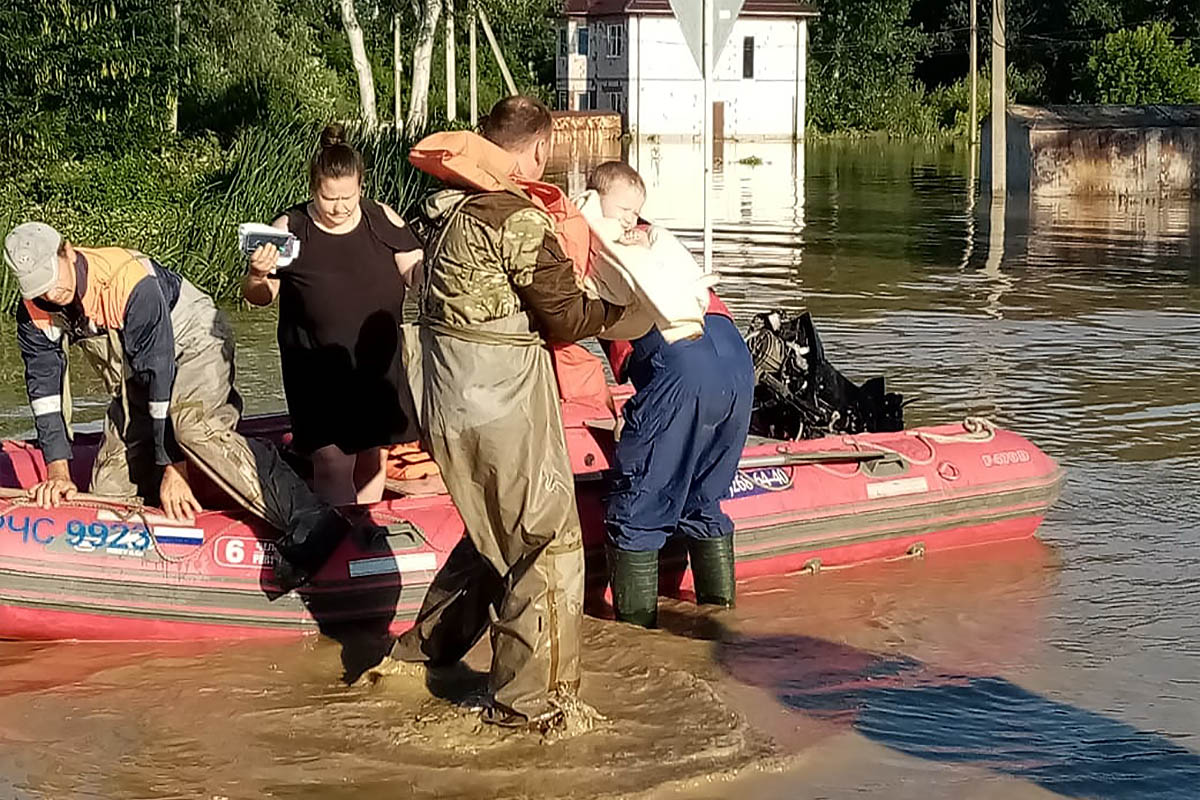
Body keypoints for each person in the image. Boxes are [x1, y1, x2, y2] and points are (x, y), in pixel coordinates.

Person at [391, 96, 626, 730]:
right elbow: (565, 317)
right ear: (539, 150)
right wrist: (626, 312)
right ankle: (530, 708)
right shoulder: (513, 217)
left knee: (490, 535)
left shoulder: (442, 209)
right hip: (498, 403)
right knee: (547, 543)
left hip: (444, 401)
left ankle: (418, 659)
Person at [4, 222, 371, 590]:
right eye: (38, 287)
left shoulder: (129, 283)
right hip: (137, 371)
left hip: (192, 344)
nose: (51, 293)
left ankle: (309, 516)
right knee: (108, 490)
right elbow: (46, 393)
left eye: (52, 278)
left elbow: (160, 375)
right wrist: (58, 474)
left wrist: (173, 469)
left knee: (190, 425)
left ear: (67, 251)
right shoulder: (36, 310)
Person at [586, 161, 756, 628]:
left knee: (636, 508)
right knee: (704, 498)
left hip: (681, 363)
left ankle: (638, 646)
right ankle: (720, 626)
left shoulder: (590, 243)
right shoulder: (656, 239)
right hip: (736, 360)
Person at [243, 124, 424, 505]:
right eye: (329, 198)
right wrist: (258, 273)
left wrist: (441, 264)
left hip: (377, 362)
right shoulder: (290, 228)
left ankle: (365, 531)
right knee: (331, 459)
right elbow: (260, 297)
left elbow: (415, 271)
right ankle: (338, 536)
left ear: (361, 186)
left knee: (373, 454)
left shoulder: (382, 219)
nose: (340, 207)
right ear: (314, 189)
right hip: (316, 367)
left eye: (348, 196)